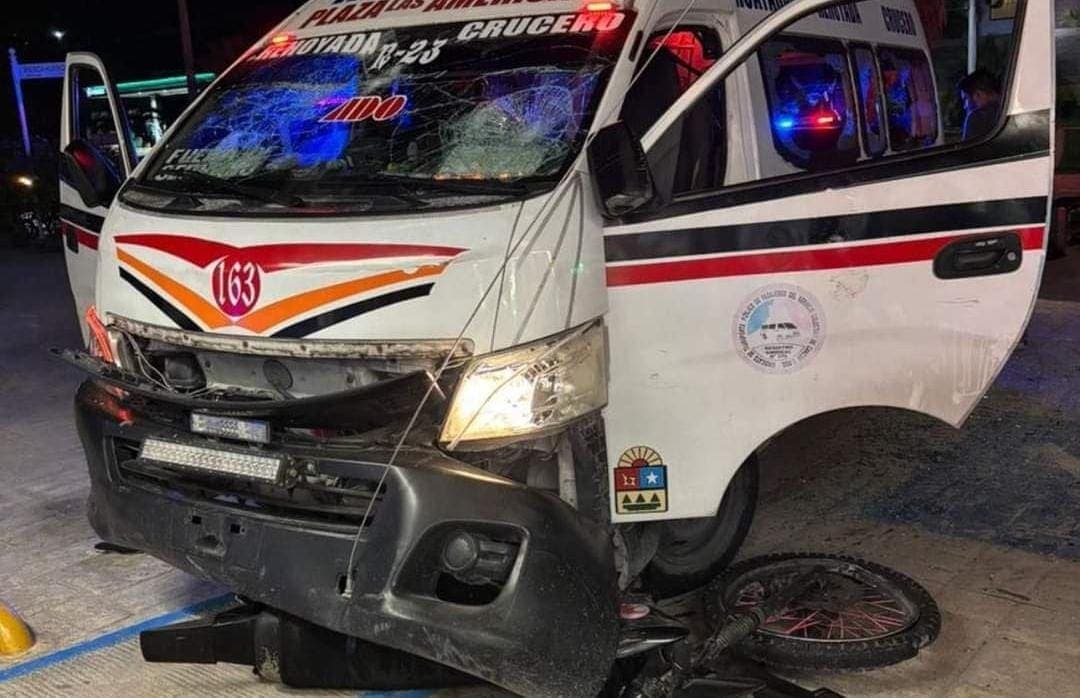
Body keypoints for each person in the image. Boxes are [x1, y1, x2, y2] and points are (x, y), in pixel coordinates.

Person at [958, 69, 1002, 141]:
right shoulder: (1005, 111)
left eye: (965, 99)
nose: (965, 106)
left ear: (978, 94)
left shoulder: (977, 117)